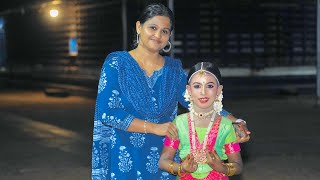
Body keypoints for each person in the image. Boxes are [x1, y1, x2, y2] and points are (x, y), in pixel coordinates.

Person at [91, 3, 249, 180]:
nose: (158, 35)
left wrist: (236, 121)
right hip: (125, 157)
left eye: (165, 31)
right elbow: (107, 112)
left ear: (169, 36)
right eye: (153, 27)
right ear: (138, 27)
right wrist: (154, 127)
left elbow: (199, 100)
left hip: (164, 159)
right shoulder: (117, 63)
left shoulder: (173, 70)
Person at [159, 62, 243, 179]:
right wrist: (181, 168)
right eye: (197, 86)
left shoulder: (226, 126)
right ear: (188, 90)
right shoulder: (179, 123)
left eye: (210, 86)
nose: (203, 92)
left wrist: (222, 168)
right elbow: (163, 161)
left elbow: (238, 165)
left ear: (219, 90)